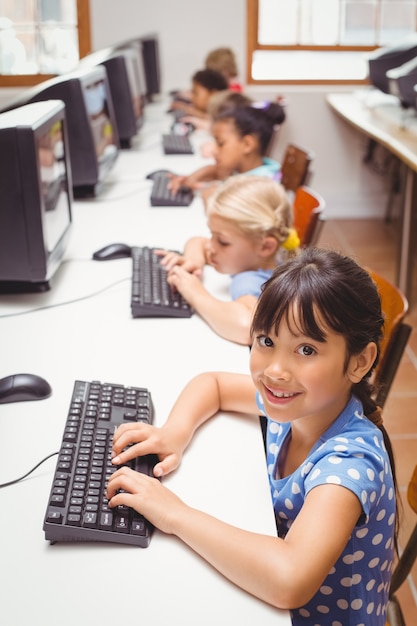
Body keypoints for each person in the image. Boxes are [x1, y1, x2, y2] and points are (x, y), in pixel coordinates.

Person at [107, 247, 397, 626]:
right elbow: (212, 384)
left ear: (359, 362)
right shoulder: (299, 404)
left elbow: (289, 580)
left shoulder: (349, 465)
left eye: (306, 349)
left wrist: (175, 514)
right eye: (265, 341)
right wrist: (173, 433)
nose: (275, 370)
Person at [159, 175, 298, 345]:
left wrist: (195, 293)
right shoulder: (260, 259)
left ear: (265, 247)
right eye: (212, 235)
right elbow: (197, 242)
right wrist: (193, 261)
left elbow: (248, 328)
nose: (210, 246)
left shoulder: (251, 281)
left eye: (223, 241)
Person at [168, 102, 286, 199]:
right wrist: (191, 178)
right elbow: (215, 171)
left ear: (247, 144)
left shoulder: (260, 189)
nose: (214, 150)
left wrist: (210, 200)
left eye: (221, 143)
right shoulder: (248, 168)